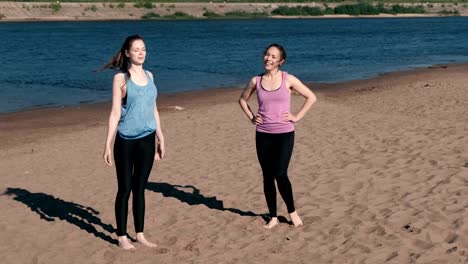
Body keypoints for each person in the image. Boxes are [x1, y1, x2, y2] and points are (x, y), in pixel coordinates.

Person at [239, 44, 317, 229]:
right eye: (267, 55)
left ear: (281, 61)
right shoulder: (255, 81)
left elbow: (311, 97)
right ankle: (273, 216)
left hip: (284, 134)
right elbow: (242, 100)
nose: (268, 58)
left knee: (281, 174)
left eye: (273, 56)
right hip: (263, 134)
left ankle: (292, 212)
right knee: (267, 176)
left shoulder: (288, 79)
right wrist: (252, 117)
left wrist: (296, 116)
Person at [102, 35, 165, 249]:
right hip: (126, 141)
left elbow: (153, 109)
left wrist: (160, 137)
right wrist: (108, 144)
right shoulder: (121, 79)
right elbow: (114, 113)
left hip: (147, 140)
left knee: (140, 189)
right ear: (127, 53)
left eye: (144, 49)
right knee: (125, 189)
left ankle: (140, 234)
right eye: (136, 49)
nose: (141, 52)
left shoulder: (150, 76)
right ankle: (121, 236)